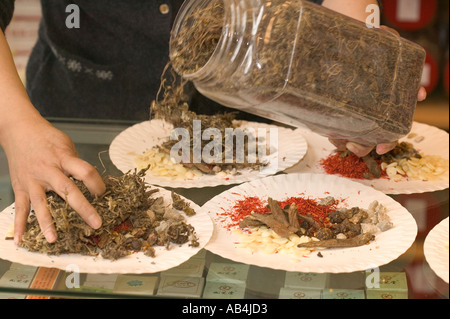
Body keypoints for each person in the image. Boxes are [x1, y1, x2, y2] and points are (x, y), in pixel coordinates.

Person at [0, 0, 426, 245]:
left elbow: (347, 15)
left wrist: (347, 64)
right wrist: (16, 126)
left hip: (258, 130)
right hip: (79, 118)